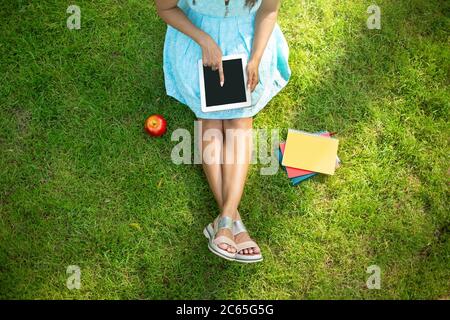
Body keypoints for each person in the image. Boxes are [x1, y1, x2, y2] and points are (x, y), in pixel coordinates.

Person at [155, 0, 291, 263]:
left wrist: (256, 58)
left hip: (248, 39)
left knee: (240, 121)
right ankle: (232, 223)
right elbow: (165, 8)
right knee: (210, 120)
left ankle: (225, 221)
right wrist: (203, 39)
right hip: (198, 37)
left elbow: (268, 10)